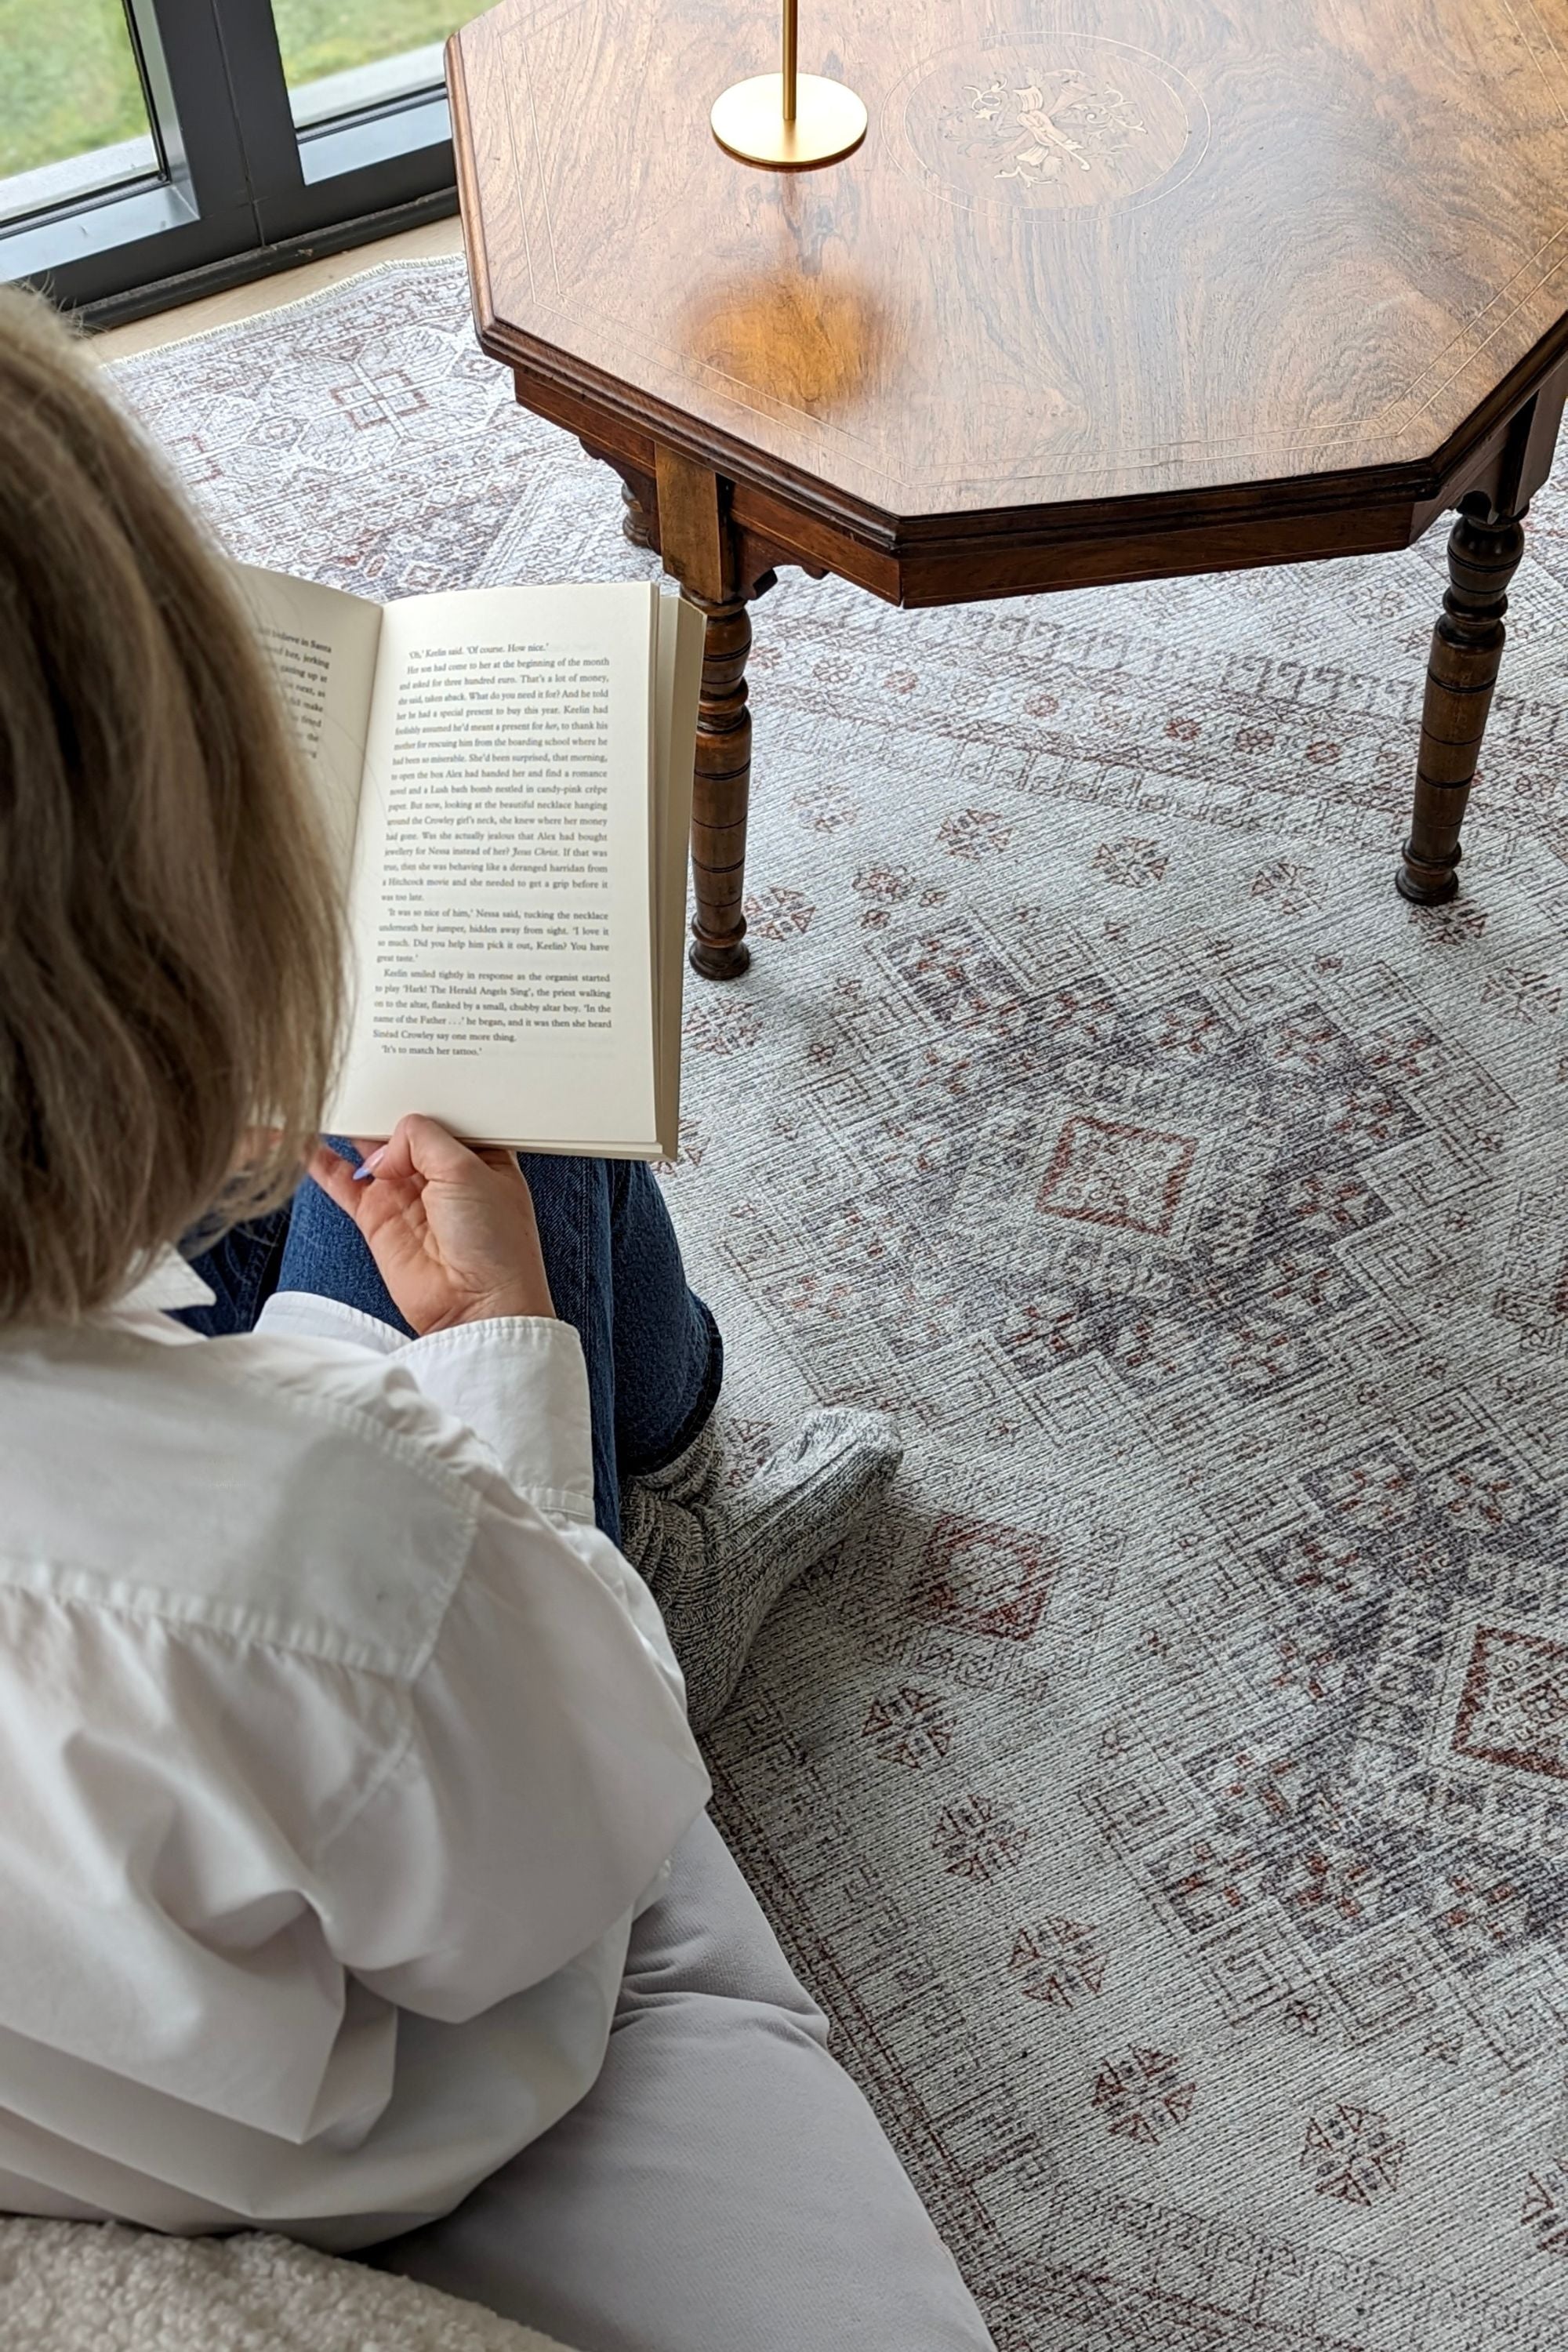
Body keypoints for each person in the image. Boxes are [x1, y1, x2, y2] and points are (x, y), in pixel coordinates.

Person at [0, 285, 996, 2351]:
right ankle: (666, 1517)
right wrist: (509, 1382)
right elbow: (556, 1867)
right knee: (479, 1103)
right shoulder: (320, 1543)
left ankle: (669, 1457)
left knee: (401, 1125)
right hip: (403, 2083)